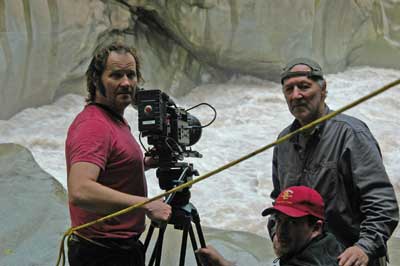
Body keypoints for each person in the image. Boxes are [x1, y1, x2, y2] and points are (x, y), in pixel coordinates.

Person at [271, 58, 399, 266]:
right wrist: (275, 234)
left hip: (349, 260)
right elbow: (279, 199)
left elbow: (382, 203)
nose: (296, 95)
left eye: (304, 86)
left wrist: (364, 247)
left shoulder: (352, 134)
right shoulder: (284, 141)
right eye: (289, 89)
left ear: (323, 89)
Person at [65, 42, 171, 266]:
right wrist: (146, 204)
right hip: (102, 254)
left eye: (131, 75)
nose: (126, 83)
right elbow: (80, 190)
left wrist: (144, 163)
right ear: (96, 80)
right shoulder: (94, 126)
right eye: (116, 75)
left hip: (117, 250)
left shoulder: (112, 119)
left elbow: (109, 165)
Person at [196, 186, 344, 266]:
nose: (281, 231)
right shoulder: (332, 245)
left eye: (292, 222)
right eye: (279, 220)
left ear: (316, 228)